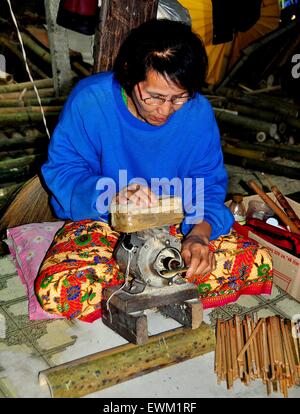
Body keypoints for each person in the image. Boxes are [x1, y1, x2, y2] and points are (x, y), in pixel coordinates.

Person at [35, 19, 272, 322]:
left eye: (178, 98)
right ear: (128, 76)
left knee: (256, 262)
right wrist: (112, 196)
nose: (165, 110)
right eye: (155, 97)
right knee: (61, 288)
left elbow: (208, 187)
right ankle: (160, 288)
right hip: (104, 224)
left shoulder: (197, 114)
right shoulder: (92, 100)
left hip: (176, 225)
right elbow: (63, 171)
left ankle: (141, 290)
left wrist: (198, 236)